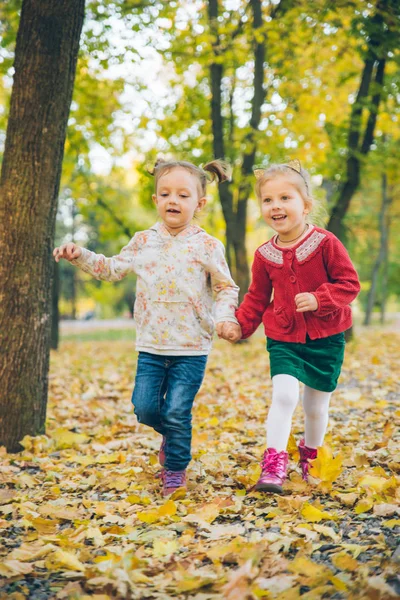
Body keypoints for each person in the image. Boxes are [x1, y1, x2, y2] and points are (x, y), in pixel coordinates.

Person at [53, 158, 239, 496]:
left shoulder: (208, 246)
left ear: (200, 204)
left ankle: (175, 469)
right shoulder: (142, 242)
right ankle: (171, 433)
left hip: (191, 347)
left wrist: (226, 319)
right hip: (151, 346)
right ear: (155, 200)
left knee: (178, 411)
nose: (173, 200)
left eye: (183, 195)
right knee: (145, 409)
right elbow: (111, 269)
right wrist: (79, 253)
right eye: (165, 193)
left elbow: (225, 287)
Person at [219, 160, 360, 494]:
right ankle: (274, 462)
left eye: (285, 198)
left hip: (326, 337)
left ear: (305, 205)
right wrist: (241, 326)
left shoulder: (326, 243)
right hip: (283, 336)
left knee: (315, 406)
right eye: (268, 200)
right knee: (283, 396)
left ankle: (311, 456)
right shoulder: (264, 254)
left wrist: (320, 299)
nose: (276, 206)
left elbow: (349, 283)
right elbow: (256, 296)